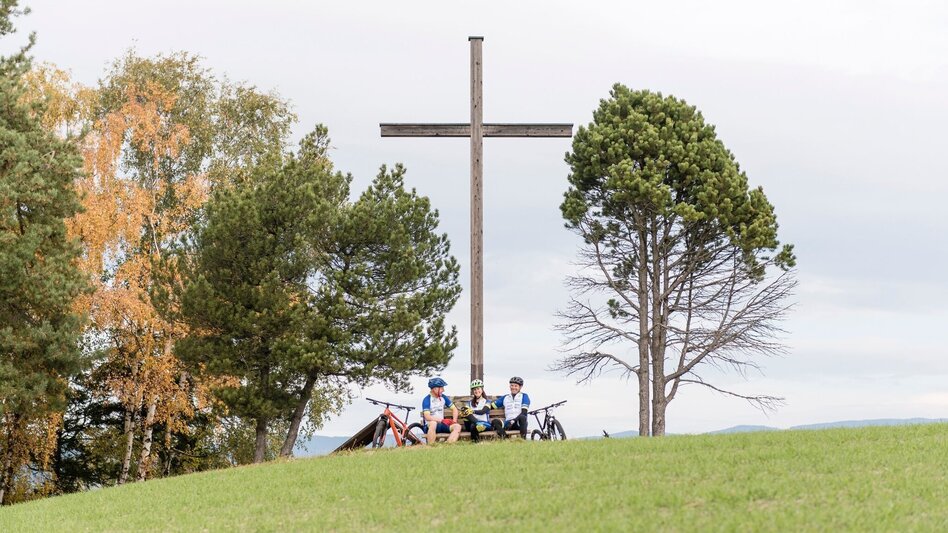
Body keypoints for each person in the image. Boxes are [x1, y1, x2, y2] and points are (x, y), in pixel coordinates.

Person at [421, 377, 462, 444]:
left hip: (441, 425)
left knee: (457, 426)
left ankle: (447, 445)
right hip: (430, 425)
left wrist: (454, 421)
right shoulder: (427, 400)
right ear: (435, 389)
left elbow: (454, 409)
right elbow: (427, 417)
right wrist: (442, 420)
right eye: (441, 388)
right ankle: (431, 447)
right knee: (433, 423)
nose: (443, 390)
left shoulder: (443, 397)